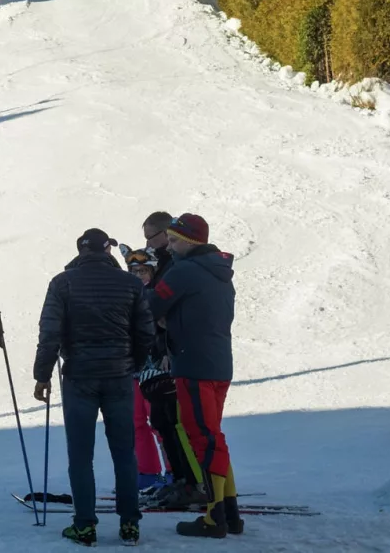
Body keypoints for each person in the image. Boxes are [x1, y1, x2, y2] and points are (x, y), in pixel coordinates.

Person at [33, 228, 155, 547]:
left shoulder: (63, 283)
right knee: (124, 452)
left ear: (81, 252)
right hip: (119, 377)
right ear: (108, 251)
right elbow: (145, 333)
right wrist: (134, 364)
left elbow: (50, 334)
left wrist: (42, 375)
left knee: (80, 454)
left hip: (79, 377)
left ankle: (85, 525)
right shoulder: (130, 284)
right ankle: (130, 525)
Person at [150, 213, 239, 539]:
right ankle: (230, 512)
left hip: (192, 365)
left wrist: (165, 321)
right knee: (214, 435)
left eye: (173, 240)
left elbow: (150, 306)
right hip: (218, 364)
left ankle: (215, 517)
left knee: (202, 436)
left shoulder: (185, 270)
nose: (169, 247)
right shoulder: (221, 272)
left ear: (190, 241)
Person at [136, 210, 198, 508]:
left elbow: (170, 308)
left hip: (174, 355)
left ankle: (191, 482)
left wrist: (164, 330)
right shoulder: (161, 262)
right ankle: (179, 480)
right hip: (160, 353)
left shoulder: (176, 263)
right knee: (161, 419)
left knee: (175, 421)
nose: (148, 242)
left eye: (152, 236)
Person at [124, 250, 169, 494]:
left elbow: (167, 328)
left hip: (156, 370)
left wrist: (165, 353)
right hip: (132, 369)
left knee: (160, 422)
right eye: (135, 272)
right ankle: (147, 472)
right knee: (137, 421)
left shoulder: (158, 295)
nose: (139, 276)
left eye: (143, 271)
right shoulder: (126, 296)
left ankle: (174, 470)